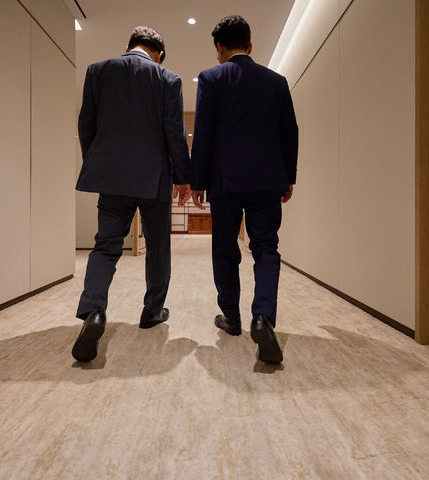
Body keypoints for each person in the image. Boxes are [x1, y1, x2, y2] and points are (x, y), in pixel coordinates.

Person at [72, 26, 191, 362]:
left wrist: (98, 162)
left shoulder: (97, 71)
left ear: (127, 47)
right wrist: (183, 178)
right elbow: (174, 133)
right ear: (159, 55)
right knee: (158, 248)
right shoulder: (168, 79)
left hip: (112, 177)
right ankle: (152, 312)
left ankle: (94, 310)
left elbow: (86, 124)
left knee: (106, 246)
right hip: (154, 179)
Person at [190, 15, 298, 364]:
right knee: (266, 246)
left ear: (220, 48)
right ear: (250, 46)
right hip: (267, 178)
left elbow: (203, 132)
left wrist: (198, 180)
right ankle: (262, 316)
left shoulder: (211, 78)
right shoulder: (277, 82)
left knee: (224, 247)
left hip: (225, 180)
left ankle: (232, 317)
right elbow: (289, 132)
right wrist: (288, 176)